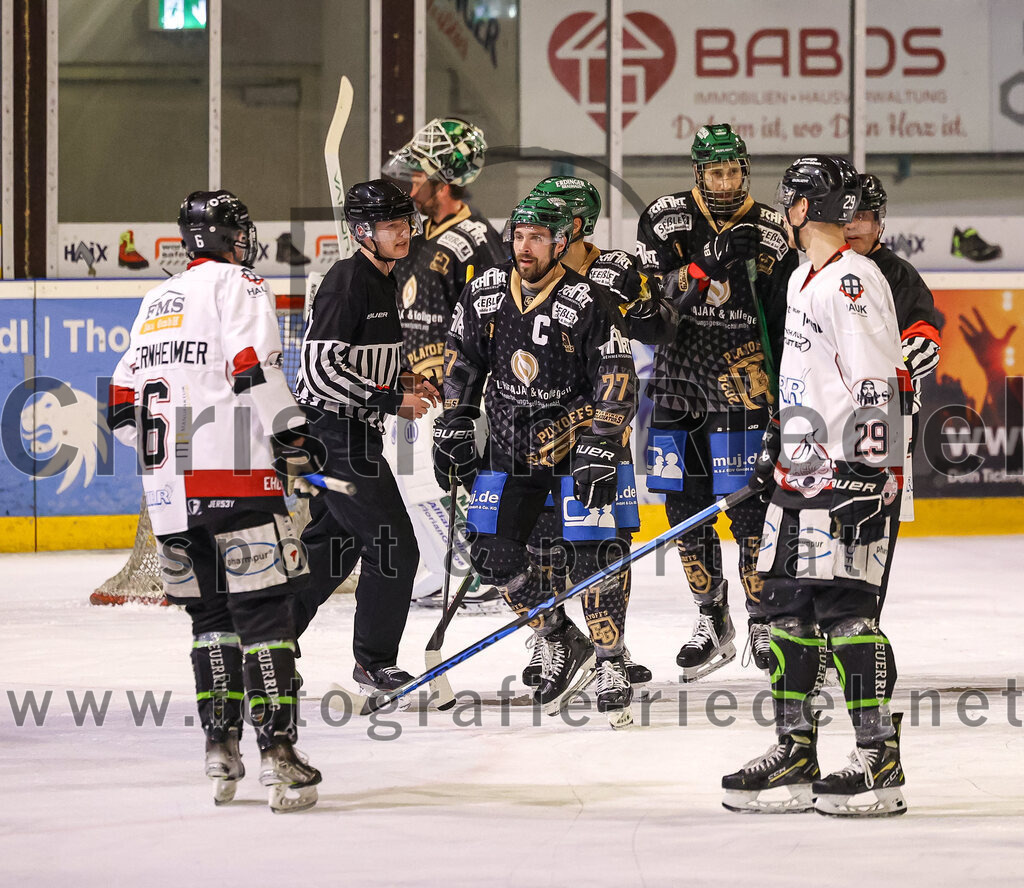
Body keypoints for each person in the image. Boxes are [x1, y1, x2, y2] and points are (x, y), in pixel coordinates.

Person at [107, 190, 321, 813]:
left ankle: (219, 750)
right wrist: (292, 437)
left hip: (168, 496)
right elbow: (253, 367)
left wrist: (174, 454)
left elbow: (121, 407)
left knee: (210, 622)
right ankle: (279, 756)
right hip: (236, 483)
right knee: (264, 616)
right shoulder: (241, 284)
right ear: (229, 236)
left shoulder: (156, 300)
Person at [721, 155, 909, 817]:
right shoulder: (804, 276)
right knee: (783, 612)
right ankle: (796, 751)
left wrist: (869, 471)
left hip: (846, 478)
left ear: (805, 207)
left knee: (846, 615)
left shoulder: (853, 279)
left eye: (789, 200)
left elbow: (876, 381)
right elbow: (807, 377)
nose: (784, 209)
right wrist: (777, 445)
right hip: (797, 477)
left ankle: (879, 759)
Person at [433, 195, 639, 727]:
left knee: (597, 558)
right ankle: (559, 637)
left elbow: (616, 377)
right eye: (519, 236)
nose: (525, 247)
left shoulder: (588, 299)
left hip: (580, 450)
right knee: (490, 553)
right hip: (509, 449)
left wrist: (601, 441)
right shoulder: (483, 292)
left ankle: (612, 660)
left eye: (538, 238)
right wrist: (456, 421)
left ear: (560, 243)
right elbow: (461, 363)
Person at [633, 123, 796, 680]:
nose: (725, 182)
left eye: (733, 171)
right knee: (684, 512)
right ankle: (712, 618)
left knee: (750, 513)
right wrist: (705, 263)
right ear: (697, 173)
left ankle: (761, 618)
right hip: (677, 388)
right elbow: (647, 303)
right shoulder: (665, 218)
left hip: (743, 389)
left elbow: (786, 319)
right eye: (715, 172)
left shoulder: (773, 229)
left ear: (745, 171)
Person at [291, 179, 439, 697]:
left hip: (350, 434)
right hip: (333, 436)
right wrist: (391, 399)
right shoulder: (346, 281)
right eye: (391, 226)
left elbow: (357, 361)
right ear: (361, 232)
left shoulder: (382, 277)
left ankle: (267, 643)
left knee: (333, 547)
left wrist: (404, 380)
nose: (404, 233)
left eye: (406, 223)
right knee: (394, 546)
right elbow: (319, 372)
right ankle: (375, 664)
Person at [515, 176, 653, 694]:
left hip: (599, 428)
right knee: (539, 546)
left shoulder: (613, 269)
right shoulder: (524, 274)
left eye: (551, 221)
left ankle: (611, 647)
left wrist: (640, 300)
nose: (535, 236)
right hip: (539, 433)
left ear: (574, 225)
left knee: (603, 547)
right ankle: (553, 639)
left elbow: (660, 328)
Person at [383, 117, 507, 611]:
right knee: (405, 480)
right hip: (411, 387)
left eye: (419, 175)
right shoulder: (418, 235)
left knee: (435, 481)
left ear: (445, 181)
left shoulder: (477, 241)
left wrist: (471, 395)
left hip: (451, 392)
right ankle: (443, 569)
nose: (410, 184)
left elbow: (499, 320)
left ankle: (474, 573)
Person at [844, 173, 942, 611]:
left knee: (876, 525)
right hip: (824, 416)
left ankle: (863, 620)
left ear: (880, 222)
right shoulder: (815, 270)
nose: (854, 226)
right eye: (846, 215)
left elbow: (925, 343)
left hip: (886, 421)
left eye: (864, 217)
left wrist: (873, 380)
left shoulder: (898, 276)